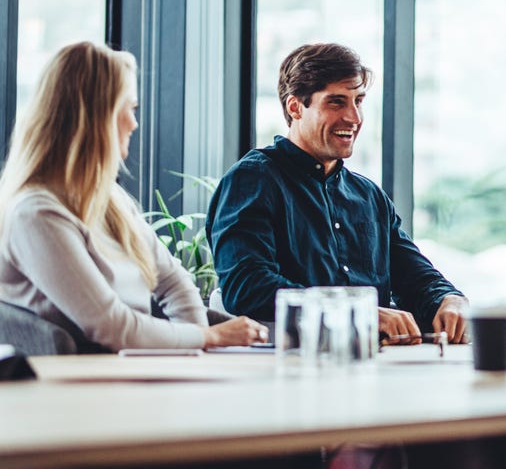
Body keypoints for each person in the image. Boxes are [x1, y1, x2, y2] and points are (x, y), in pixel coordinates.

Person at [0, 42, 267, 351]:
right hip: (78, 386)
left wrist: (195, 348)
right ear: (97, 117)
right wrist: (209, 336)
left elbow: (173, 281)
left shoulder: (109, 198)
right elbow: (111, 326)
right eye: (130, 108)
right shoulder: (36, 215)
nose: (135, 123)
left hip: (129, 370)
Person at [207, 43, 468, 344]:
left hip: (375, 366)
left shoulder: (369, 196)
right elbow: (247, 288)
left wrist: (449, 299)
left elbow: (415, 276)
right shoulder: (253, 180)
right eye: (336, 102)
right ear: (295, 107)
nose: (354, 117)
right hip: (287, 369)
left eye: (358, 101)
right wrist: (357, 312)